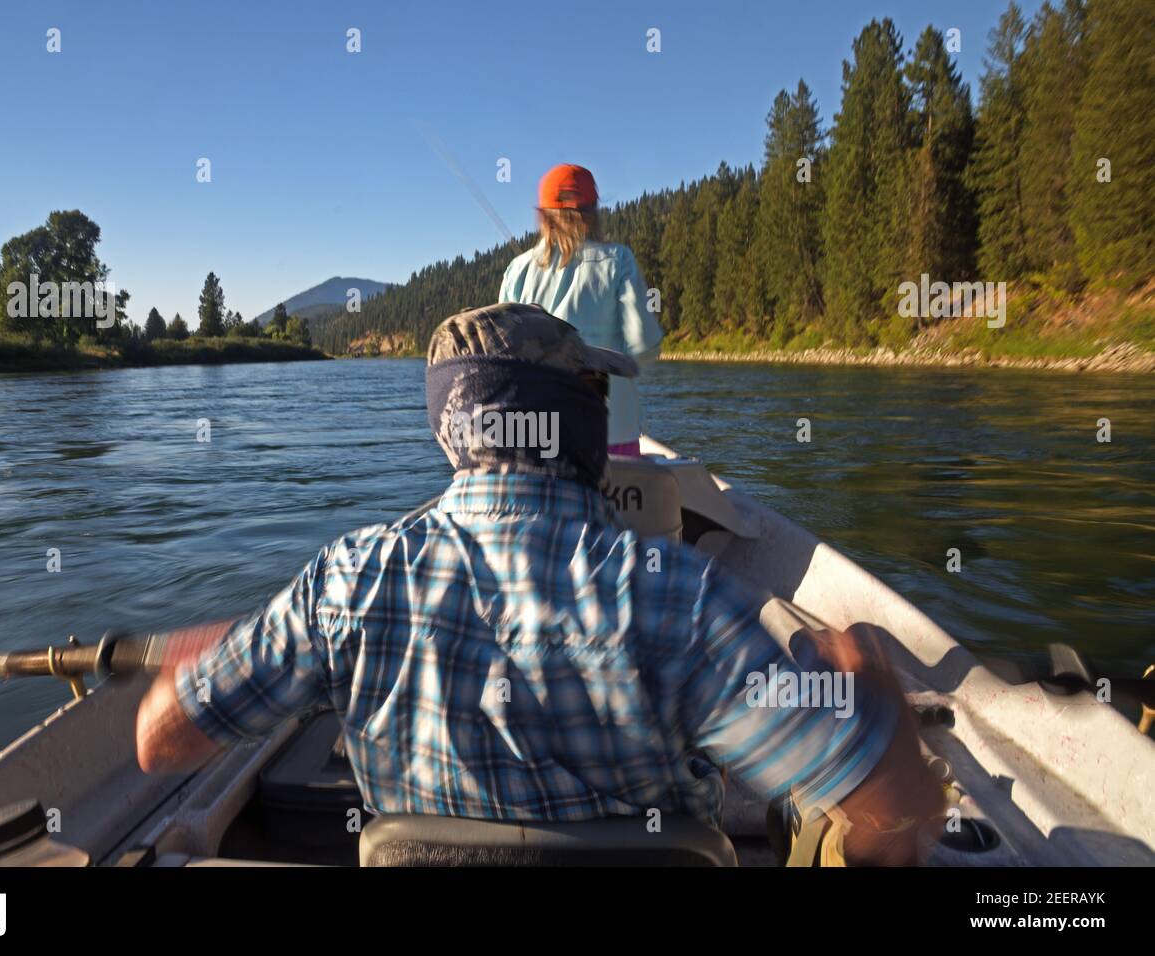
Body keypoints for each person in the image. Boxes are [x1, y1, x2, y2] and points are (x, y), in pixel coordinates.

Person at [136, 303, 941, 865]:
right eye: (596, 391)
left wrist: (217, 658)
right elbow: (893, 819)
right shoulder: (680, 597)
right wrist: (870, 675)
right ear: (574, 416)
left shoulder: (344, 580)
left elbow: (158, 743)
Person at [499, 163, 663, 456]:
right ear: (593, 211)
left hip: (538, 436)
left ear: (543, 215)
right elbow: (644, 344)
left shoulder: (516, 271)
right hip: (610, 434)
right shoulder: (619, 260)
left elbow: (501, 355)